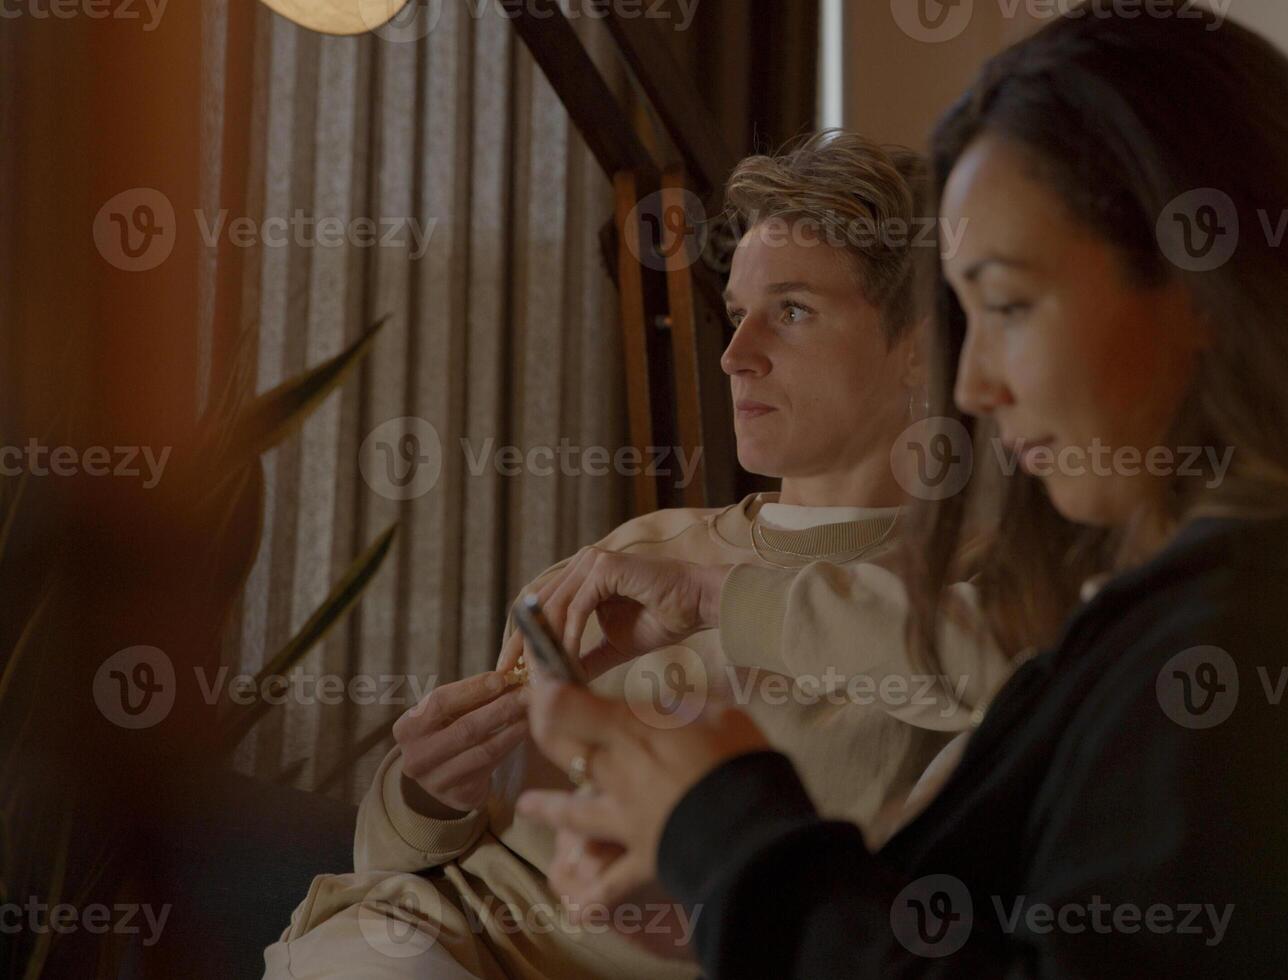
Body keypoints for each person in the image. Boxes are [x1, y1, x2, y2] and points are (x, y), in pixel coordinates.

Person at [512, 5, 1288, 977]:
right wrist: (716, 891)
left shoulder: (1254, 641)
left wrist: (730, 829)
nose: (971, 385)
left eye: (1004, 306)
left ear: (1200, 284)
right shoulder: (1202, 608)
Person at [263, 130, 1012, 979]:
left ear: (918, 343)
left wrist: (720, 599)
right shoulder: (639, 551)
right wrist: (427, 792)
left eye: (792, 311)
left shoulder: (978, 598)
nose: (735, 355)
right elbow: (402, 861)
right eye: (736, 316)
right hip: (452, 939)